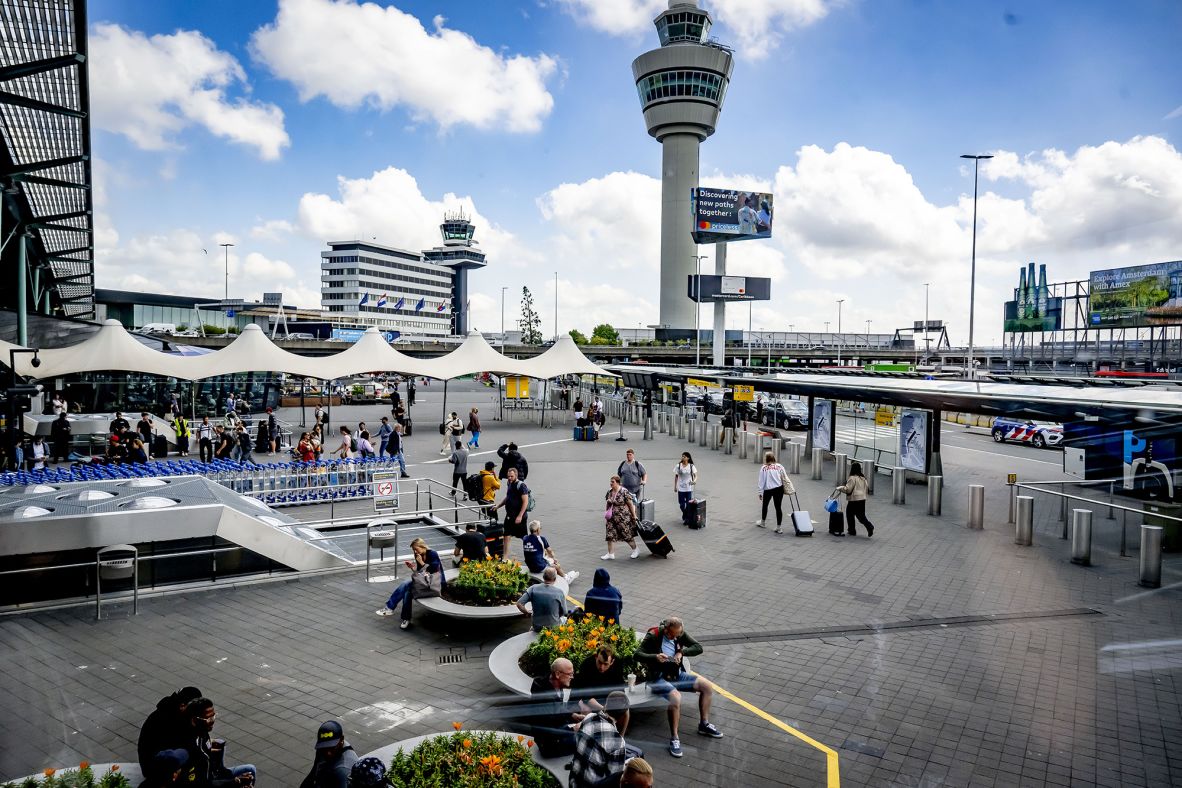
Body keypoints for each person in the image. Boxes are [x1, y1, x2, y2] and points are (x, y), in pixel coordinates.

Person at [636, 617, 722, 758]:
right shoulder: (654, 635)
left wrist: (681, 652)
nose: (675, 638)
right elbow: (637, 655)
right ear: (666, 630)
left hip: (676, 675)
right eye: (672, 635)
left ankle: (704, 724)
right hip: (657, 678)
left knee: (707, 686)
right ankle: (674, 738)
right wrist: (655, 657)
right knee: (676, 698)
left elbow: (698, 647)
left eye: (678, 635)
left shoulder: (679, 633)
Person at [173, 697, 257, 787]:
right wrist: (236, 782)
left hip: (213, 774)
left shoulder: (202, 731)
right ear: (194, 720)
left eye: (213, 716)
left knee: (250, 770)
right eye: (208, 719)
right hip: (207, 781)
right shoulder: (188, 749)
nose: (212, 721)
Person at [375, 537, 445, 629]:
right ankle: (405, 618)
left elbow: (433, 571)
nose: (415, 552)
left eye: (416, 549)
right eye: (413, 550)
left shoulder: (432, 554)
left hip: (435, 584)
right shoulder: (418, 555)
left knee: (405, 584)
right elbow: (420, 573)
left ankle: (391, 608)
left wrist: (421, 562)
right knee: (407, 591)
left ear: (423, 546)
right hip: (425, 581)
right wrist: (412, 567)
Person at [569, 691, 634, 788]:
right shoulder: (618, 742)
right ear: (623, 715)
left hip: (574, 782)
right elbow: (614, 779)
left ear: (605, 705)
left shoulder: (589, 717)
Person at [138, 686, 203, 774]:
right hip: (156, 768)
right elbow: (184, 745)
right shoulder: (168, 720)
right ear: (183, 706)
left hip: (162, 758)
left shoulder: (175, 712)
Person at [527, 657, 582, 758]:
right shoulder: (543, 699)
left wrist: (573, 715)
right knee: (588, 742)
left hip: (558, 733)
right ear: (557, 674)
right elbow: (547, 731)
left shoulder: (554, 684)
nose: (572, 677)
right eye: (570, 674)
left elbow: (557, 709)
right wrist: (574, 729)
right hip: (549, 745)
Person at [572, 646, 629, 723]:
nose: (602, 667)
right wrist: (604, 709)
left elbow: (620, 690)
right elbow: (586, 695)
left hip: (608, 697)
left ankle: (619, 731)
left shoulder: (618, 664)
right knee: (587, 711)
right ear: (596, 657)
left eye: (606, 664)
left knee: (625, 711)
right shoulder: (587, 664)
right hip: (590, 697)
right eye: (599, 662)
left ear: (612, 662)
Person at [298, 720, 357, 788]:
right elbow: (313, 773)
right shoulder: (323, 748)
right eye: (324, 748)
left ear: (342, 739)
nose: (328, 753)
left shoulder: (343, 771)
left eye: (332, 748)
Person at [493, 466, 530, 559]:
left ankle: (532, 553)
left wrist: (520, 516)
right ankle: (505, 557)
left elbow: (525, 501)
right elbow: (508, 497)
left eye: (511, 476)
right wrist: (498, 506)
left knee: (524, 537)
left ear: (516, 475)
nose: (509, 478)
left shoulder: (521, 485)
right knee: (506, 535)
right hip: (509, 515)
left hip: (519, 516)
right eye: (508, 476)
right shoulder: (509, 483)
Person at [516, 566, 567, 631]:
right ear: (555, 579)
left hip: (537, 626)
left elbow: (519, 604)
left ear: (543, 577)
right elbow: (564, 612)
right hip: (552, 627)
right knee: (565, 619)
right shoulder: (559, 592)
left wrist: (527, 613)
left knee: (533, 628)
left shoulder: (533, 588)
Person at [602, 475, 639, 561]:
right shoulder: (609, 492)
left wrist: (634, 516)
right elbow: (607, 503)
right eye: (610, 481)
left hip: (622, 517)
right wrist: (606, 513)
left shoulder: (624, 491)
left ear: (618, 483)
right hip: (611, 518)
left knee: (626, 535)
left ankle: (636, 550)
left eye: (613, 482)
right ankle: (610, 554)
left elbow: (630, 504)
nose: (611, 483)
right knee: (610, 535)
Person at [836, 461, 875, 537]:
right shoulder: (863, 478)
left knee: (849, 514)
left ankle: (852, 530)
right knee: (861, 516)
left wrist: (840, 488)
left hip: (854, 499)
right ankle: (869, 526)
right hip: (862, 499)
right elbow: (867, 488)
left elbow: (848, 489)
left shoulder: (852, 478)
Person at [756, 451, 790, 533]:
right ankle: (779, 527)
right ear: (773, 458)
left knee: (765, 505)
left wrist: (760, 492)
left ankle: (763, 522)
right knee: (778, 507)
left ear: (766, 459)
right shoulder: (779, 466)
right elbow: (784, 477)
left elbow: (761, 481)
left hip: (768, 489)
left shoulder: (764, 468)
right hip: (779, 488)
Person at [673, 452, 698, 525]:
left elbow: (696, 476)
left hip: (689, 488)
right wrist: (675, 486)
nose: (682, 458)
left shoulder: (691, 466)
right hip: (681, 488)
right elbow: (676, 476)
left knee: (688, 504)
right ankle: (685, 513)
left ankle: (687, 519)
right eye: (682, 456)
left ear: (688, 458)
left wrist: (694, 481)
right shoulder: (678, 466)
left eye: (684, 457)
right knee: (681, 504)